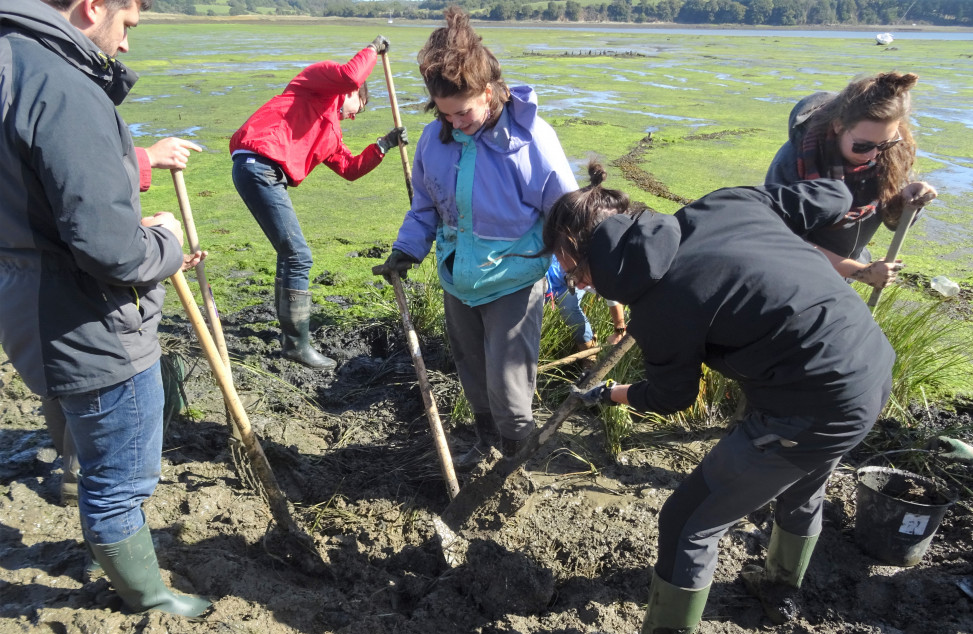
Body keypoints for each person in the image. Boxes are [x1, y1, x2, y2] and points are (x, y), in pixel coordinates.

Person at [545, 163, 895, 634]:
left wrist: (612, 394)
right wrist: (874, 201)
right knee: (803, 481)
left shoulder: (657, 308)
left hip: (812, 404)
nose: (583, 284)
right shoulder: (726, 204)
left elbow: (672, 396)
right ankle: (778, 587)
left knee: (687, 522)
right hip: (870, 366)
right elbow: (831, 194)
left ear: (592, 255)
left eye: (576, 272)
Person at [0, 0, 211, 618]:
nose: (124, 45)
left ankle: (108, 548)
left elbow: (50, 204)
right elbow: (111, 252)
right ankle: (148, 596)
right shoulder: (61, 86)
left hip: (27, 301)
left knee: (82, 438)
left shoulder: (9, 61)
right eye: (127, 26)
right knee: (121, 474)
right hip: (91, 320)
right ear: (93, 6)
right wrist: (165, 241)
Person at [372, 6, 577, 472]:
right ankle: (485, 445)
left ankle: (516, 466)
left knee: (509, 388)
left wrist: (581, 265)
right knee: (472, 375)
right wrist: (406, 250)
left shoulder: (531, 142)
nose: (456, 123)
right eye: (445, 115)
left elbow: (566, 212)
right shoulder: (433, 141)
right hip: (457, 279)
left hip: (513, 281)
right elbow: (426, 208)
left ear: (489, 92)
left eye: (463, 113)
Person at [41, 135, 203, 508]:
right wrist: (162, 240)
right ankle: (82, 482)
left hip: (35, 289)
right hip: (83, 302)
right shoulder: (57, 97)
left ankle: (75, 475)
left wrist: (161, 250)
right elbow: (106, 242)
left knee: (61, 373)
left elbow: (64, 210)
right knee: (93, 379)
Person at [231, 37, 406, 370]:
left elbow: (351, 169)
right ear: (354, 94)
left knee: (291, 254)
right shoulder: (316, 83)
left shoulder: (331, 133)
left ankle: (291, 340)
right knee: (299, 255)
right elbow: (351, 76)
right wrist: (373, 48)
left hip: (265, 172)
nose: (354, 117)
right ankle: (297, 345)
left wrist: (384, 145)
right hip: (258, 163)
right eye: (360, 108)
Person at [766, 72, 937, 290]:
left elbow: (893, 222)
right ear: (838, 126)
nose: (873, 155)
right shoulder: (793, 162)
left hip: (850, 270)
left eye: (884, 144)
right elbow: (781, 240)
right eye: (862, 146)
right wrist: (858, 271)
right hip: (798, 275)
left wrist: (906, 202)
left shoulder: (892, 152)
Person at [545, 254, 626, 371]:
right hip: (548, 274)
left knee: (568, 309)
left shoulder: (597, 270)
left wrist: (619, 330)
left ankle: (589, 357)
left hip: (572, 274)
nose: (582, 287)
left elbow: (613, 296)